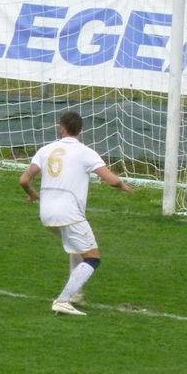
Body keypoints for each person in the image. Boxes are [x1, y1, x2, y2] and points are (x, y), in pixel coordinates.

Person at [19, 110, 133, 316]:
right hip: (69, 214)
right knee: (92, 258)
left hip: (46, 214)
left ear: (61, 128)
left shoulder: (46, 150)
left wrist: (33, 194)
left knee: (76, 248)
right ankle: (63, 300)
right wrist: (123, 185)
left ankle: (76, 293)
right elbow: (111, 179)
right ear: (80, 130)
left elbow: (24, 180)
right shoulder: (86, 152)